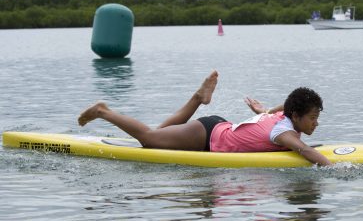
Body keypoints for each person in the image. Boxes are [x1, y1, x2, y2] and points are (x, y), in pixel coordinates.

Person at [78, 70, 332, 166]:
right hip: (208, 136)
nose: (316, 123)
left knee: (156, 135)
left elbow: (283, 107)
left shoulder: (283, 116)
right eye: (312, 118)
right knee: (149, 139)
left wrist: (261, 111)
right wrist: (336, 170)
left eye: (317, 118)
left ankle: (199, 97)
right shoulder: (283, 132)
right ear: (295, 116)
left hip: (217, 127)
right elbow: (303, 150)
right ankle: (103, 111)